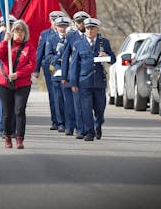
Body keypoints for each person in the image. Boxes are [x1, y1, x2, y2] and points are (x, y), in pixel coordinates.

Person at [70, 18, 116, 141]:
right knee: (86, 108)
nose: (89, 30)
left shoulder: (104, 43)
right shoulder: (78, 44)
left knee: (100, 108)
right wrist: (73, 82)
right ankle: (89, 132)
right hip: (84, 81)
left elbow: (113, 59)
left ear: (97, 29)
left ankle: (98, 125)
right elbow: (74, 64)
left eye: (92, 28)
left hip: (99, 82)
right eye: (88, 28)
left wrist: (107, 56)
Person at [0, 20, 37, 149]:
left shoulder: (29, 47)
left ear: (25, 33)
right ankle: (7, 136)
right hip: (5, 82)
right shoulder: (7, 44)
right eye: (16, 30)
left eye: (21, 30)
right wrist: (4, 41)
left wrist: (18, 73)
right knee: (7, 112)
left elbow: (32, 65)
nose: (18, 32)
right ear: (11, 32)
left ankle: (19, 138)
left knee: (19, 110)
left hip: (22, 83)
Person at [61, 11, 90, 139]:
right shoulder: (71, 37)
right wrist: (64, 76)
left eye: (83, 21)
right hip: (75, 75)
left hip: (90, 75)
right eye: (79, 22)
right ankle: (80, 129)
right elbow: (66, 56)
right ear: (75, 23)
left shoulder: (94, 36)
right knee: (77, 104)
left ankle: (90, 127)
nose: (81, 24)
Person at [34, 10, 65, 131]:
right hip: (50, 68)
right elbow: (40, 51)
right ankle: (56, 120)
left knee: (64, 95)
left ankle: (66, 119)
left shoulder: (67, 33)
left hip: (65, 67)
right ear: (50, 21)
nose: (55, 23)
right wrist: (36, 69)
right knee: (54, 95)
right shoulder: (45, 34)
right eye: (53, 20)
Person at [46, 16, 75, 135]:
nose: (62, 29)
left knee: (69, 100)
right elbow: (48, 56)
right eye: (60, 26)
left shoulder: (72, 38)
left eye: (65, 26)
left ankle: (70, 123)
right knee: (58, 99)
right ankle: (60, 122)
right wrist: (58, 58)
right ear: (56, 27)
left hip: (69, 72)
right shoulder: (51, 39)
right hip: (57, 70)